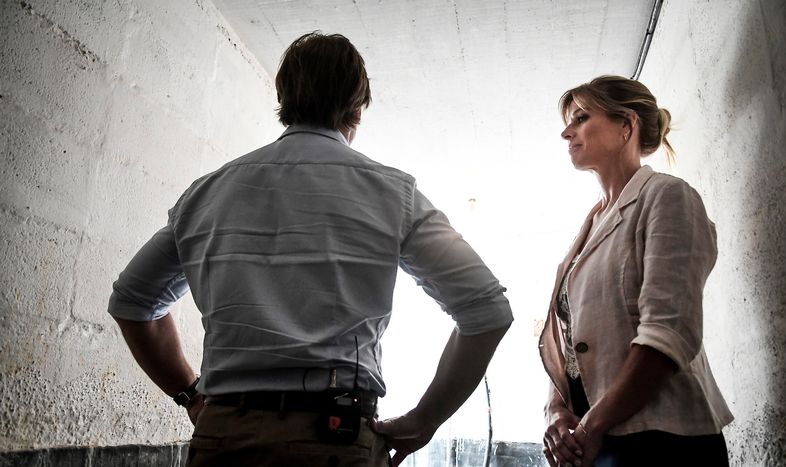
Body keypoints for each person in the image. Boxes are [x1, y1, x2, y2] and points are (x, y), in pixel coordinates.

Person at [107, 31, 513, 467]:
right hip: (333, 439)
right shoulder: (393, 193)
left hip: (223, 435)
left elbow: (132, 302)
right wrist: (425, 419)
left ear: (284, 97)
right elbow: (487, 311)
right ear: (357, 106)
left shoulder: (207, 193)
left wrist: (189, 393)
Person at [539, 75, 733, 467]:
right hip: (596, 438)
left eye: (580, 118)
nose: (566, 132)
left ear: (626, 125)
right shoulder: (589, 226)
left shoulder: (668, 197)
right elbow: (568, 339)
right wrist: (557, 411)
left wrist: (592, 426)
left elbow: (668, 333)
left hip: (662, 440)